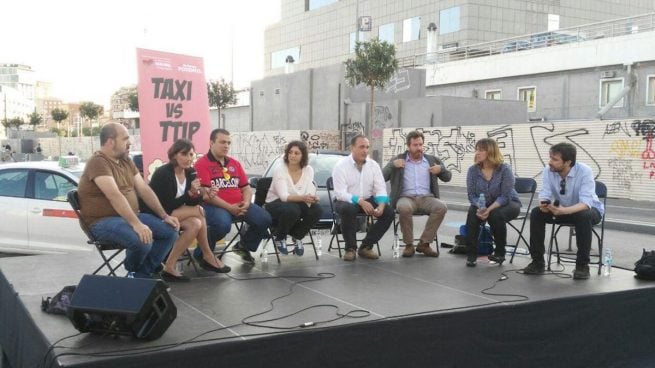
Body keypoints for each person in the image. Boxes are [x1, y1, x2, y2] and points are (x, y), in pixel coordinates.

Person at [77, 122, 179, 279]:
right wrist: (137, 224)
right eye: (125, 139)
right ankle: (135, 271)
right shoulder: (98, 162)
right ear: (111, 141)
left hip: (129, 216)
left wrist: (164, 216)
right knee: (142, 240)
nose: (130, 143)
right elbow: (114, 195)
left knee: (170, 232)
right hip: (100, 222)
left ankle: (141, 274)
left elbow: (143, 189)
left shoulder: (126, 160)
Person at [144, 139, 231, 282]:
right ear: (174, 155)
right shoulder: (163, 173)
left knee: (196, 223)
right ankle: (207, 254)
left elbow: (190, 201)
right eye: (184, 154)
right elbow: (167, 205)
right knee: (198, 211)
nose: (188, 159)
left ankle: (170, 267)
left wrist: (204, 195)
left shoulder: (190, 172)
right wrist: (190, 194)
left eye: (191, 155)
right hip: (157, 212)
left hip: (174, 211)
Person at [523, 142, 604, 280]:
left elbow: (586, 203)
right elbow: (545, 194)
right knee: (536, 213)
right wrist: (544, 205)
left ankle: (582, 266)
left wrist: (564, 211)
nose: (550, 162)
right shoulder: (548, 170)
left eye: (555, 159)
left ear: (568, 162)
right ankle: (537, 262)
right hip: (563, 210)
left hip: (589, 210)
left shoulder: (585, 171)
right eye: (550, 158)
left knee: (583, 216)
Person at [194, 128, 272, 264]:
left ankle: (243, 246)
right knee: (222, 225)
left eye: (229, 143)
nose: (226, 146)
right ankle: (202, 254)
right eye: (222, 142)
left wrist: (246, 203)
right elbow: (206, 195)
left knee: (264, 219)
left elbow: (246, 188)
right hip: (214, 206)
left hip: (239, 204)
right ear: (211, 143)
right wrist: (230, 208)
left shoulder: (235, 164)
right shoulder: (202, 164)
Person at [383, 130, 450, 257]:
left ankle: (424, 244)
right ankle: (409, 245)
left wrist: (441, 169)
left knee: (441, 207)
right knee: (403, 208)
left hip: (426, 198)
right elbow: (382, 177)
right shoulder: (398, 159)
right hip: (406, 197)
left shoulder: (431, 160)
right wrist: (392, 165)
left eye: (420, 144)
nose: (419, 148)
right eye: (415, 145)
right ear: (408, 146)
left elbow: (447, 177)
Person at [331, 134, 394, 261]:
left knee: (389, 212)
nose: (365, 150)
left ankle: (366, 246)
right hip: (345, 200)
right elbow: (340, 193)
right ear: (352, 148)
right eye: (361, 147)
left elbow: (381, 188)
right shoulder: (341, 166)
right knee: (348, 210)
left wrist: (381, 205)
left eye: (367, 147)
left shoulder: (373, 165)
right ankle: (350, 248)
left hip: (368, 198)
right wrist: (360, 201)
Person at [464, 138, 521, 267]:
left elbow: (505, 196)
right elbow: (472, 195)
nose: (477, 153)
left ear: (491, 152)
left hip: (509, 203)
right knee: (472, 213)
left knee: (496, 214)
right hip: (483, 203)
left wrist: (488, 210)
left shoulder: (504, 169)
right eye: (476, 150)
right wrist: (480, 207)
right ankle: (471, 254)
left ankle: (500, 252)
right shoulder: (473, 171)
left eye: (481, 150)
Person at [264, 140, 322, 256]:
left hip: (296, 203)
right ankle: (280, 238)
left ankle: (297, 236)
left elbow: (308, 190)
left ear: (303, 156)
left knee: (317, 209)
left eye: (297, 153)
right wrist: (304, 198)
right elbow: (284, 197)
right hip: (274, 203)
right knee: (293, 209)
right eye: (290, 152)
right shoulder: (280, 169)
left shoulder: (308, 170)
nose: (292, 155)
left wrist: (312, 198)